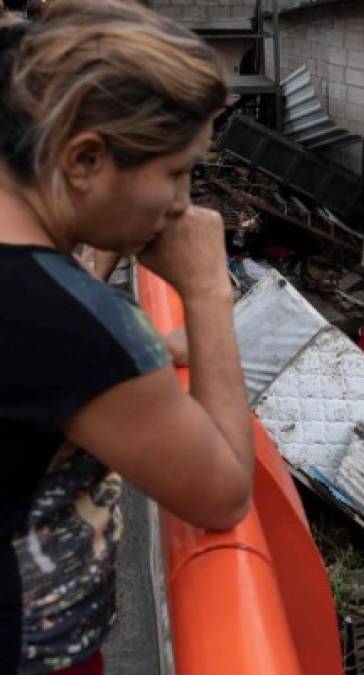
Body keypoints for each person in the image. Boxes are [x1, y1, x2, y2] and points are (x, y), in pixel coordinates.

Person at [0, 3, 254, 674]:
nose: (183, 205)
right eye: (176, 172)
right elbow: (223, 493)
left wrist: (155, 349)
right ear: (85, 158)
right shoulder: (71, 329)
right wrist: (207, 291)